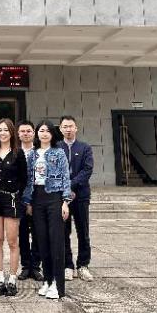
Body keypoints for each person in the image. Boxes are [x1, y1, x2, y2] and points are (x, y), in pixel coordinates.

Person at [23, 120, 71, 300]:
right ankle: (48, 280)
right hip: (37, 198)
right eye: (41, 130)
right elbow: (29, 179)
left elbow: (66, 177)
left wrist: (65, 202)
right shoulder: (32, 154)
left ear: (52, 134)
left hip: (54, 198)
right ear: (37, 133)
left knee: (56, 241)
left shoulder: (59, 152)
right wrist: (28, 202)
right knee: (41, 241)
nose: (44, 134)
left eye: (47, 131)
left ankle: (58, 285)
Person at [0, 118, 27, 296]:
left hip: (12, 200)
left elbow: (24, 179)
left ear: (11, 132)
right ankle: (0, 278)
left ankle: (12, 279)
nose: (2, 133)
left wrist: (17, 195)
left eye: (5, 130)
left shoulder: (18, 153)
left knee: (12, 241)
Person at [59, 115, 94, 282]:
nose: (68, 129)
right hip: (61, 197)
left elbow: (87, 170)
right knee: (63, 232)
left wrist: (71, 185)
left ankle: (83, 265)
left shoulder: (85, 147)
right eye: (65, 126)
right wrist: (65, 188)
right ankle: (67, 265)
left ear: (76, 128)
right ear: (60, 129)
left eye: (71, 126)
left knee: (83, 231)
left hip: (80, 196)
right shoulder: (56, 147)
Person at [16, 120, 43, 281]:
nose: (25, 134)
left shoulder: (40, 152)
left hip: (38, 199)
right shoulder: (14, 152)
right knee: (23, 234)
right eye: (22, 131)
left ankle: (36, 267)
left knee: (38, 233)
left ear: (34, 133)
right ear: (18, 134)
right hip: (19, 200)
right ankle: (26, 266)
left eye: (28, 131)